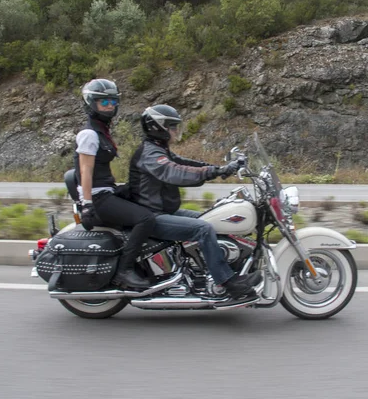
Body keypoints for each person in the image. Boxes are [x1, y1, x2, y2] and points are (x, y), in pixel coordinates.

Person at [128, 104, 262, 303]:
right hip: (151, 215)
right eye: (172, 126)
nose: (175, 131)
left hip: (164, 211)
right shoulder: (150, 154)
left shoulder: (159, 149)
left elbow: (186, 164)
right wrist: (214, 172)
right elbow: (176, 172)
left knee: (211, 218)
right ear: (158, 127)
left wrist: (221, 169)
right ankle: (226, 282)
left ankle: (211, 267)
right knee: (203, 228)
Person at [74, 78, 155, 289]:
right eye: (104, 101)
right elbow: (86, 169)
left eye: (112, 101)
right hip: (98, 198)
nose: (110, 105)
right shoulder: (89, 134)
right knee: (145, 218)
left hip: (106, 191)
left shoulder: (102, 131)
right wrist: (87, 204)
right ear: (91, 103)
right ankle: (124, 272)